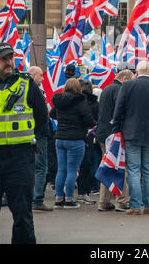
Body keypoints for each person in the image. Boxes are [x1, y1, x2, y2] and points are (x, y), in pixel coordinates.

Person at [0, 42, 48, 244]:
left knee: (22, 213)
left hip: (19, 159)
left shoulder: (26, 84)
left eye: (11, 58)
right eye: (3, 59)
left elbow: (41, 117)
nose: (9, 62)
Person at [112, 61, 149, 215]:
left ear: (136, 72)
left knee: (133, 169)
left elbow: (118, 110)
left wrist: (116, 128)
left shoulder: (127, 86)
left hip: (131, 133)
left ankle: (135, 206)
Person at [50, 78, 95, 209]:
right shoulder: (80, 101)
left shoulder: (58, 100)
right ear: (78, 88)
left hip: (60, 138)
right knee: (72, 170)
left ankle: (59, 199)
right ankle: (69, 199)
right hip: (75, 139)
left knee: (61, 170)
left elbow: (52, 114)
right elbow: (89, 120)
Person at [96, 69, 134, 212]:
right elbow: (120, 112)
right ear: (124, 79)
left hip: (103, 133)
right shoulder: (119, 90)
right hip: (114, 134)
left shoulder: (106, 89)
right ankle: (122, 201)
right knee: (119, 167)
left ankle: (104, 202)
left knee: (107, 167)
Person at [27, 66, 53, 212]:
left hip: (29, 133)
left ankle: (32, 197)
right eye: (41, 76)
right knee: (40, 167)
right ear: (34, 75)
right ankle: (37, 199)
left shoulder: (23, 87)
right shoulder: (34, 89)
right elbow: (42, 114)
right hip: (38, 134)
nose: (43, 79)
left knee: (32, 166)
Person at [76, 80, 99, 205]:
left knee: (67, 167)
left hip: (67, 136)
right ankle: (85, 191)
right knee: (88, 163)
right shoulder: (93, 103)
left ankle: (63, 196)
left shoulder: (72, 101)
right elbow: (93, 120)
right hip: (88, 136)